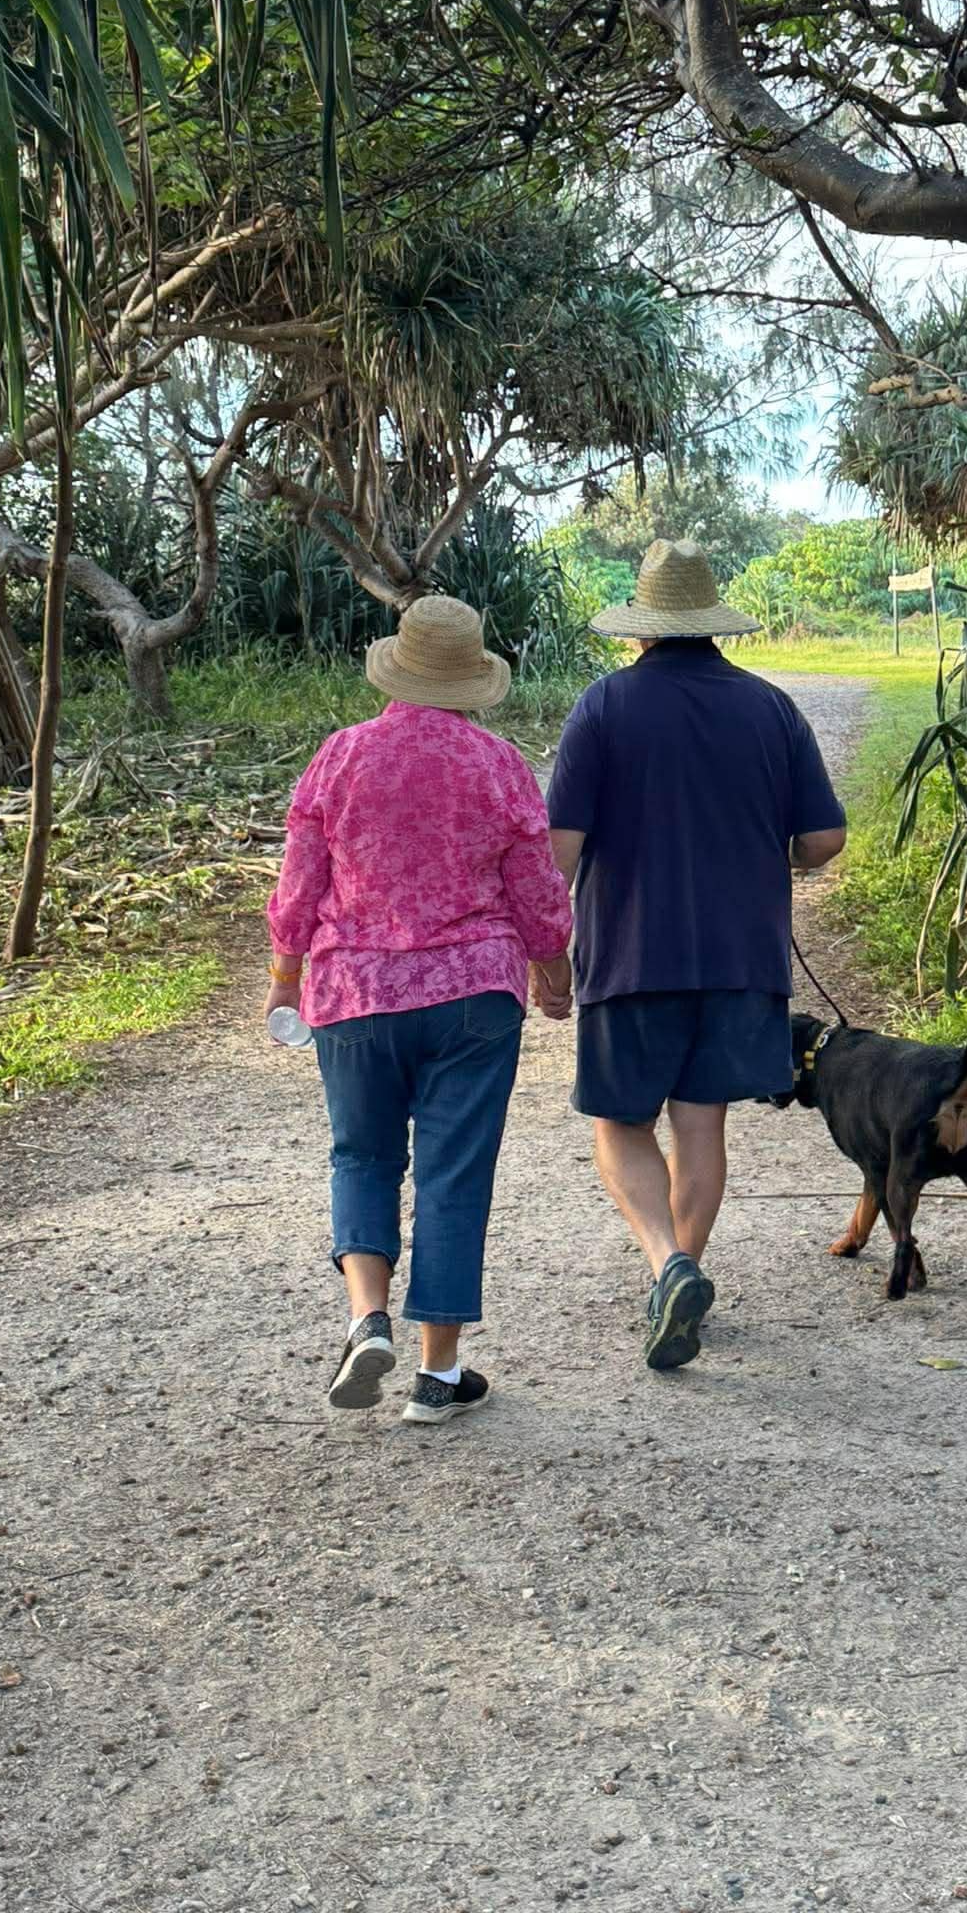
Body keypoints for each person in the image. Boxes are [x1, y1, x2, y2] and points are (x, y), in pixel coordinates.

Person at [267, 596, 573, 1425]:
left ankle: (366, 1318)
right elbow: (537, 890)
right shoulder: (498, 764)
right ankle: (439, 1377)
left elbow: (300, 884)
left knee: (361, 1157)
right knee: (453, 1174)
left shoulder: (339, 758)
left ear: (396, 669)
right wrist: (554, 973)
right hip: (473, 994)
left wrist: (286, 975)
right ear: (471, 679)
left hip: (354, 992)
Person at [543, 539, 846, 1372]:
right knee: (701, 1122)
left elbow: (559, 851)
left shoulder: (602, 707)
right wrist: (768, 856)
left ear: (641, 629)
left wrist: (543, 953)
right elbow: (823, 839)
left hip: (631, 954)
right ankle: (684, 1278)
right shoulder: (773, 708)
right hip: (742, 956)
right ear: (714, 626)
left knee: (619, 1122)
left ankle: (666, 1265)